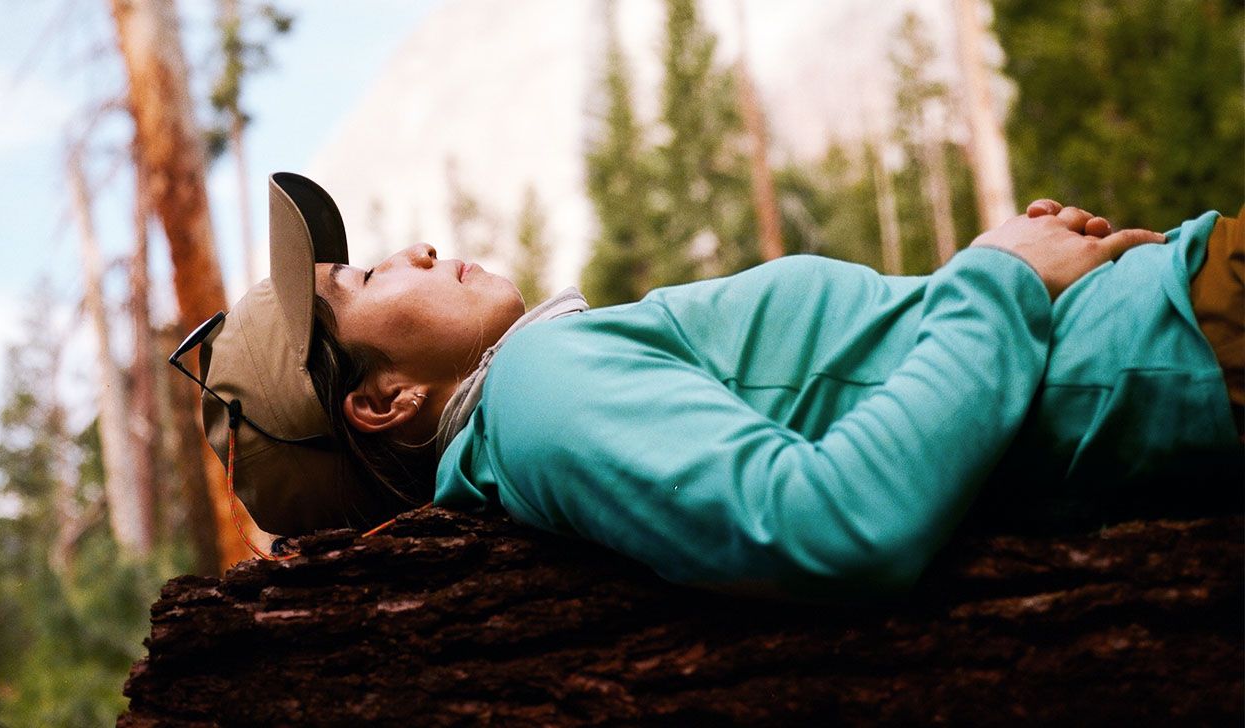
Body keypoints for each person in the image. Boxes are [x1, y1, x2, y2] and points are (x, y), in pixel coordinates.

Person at [179, 172, 1242, 600]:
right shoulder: (540, 389)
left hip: (1169, 328)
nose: (410, 246)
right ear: (383, 401)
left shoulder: (540, 404)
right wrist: (1001, 276)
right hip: (1181, 343)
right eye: (362, 280)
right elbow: (832, 520)